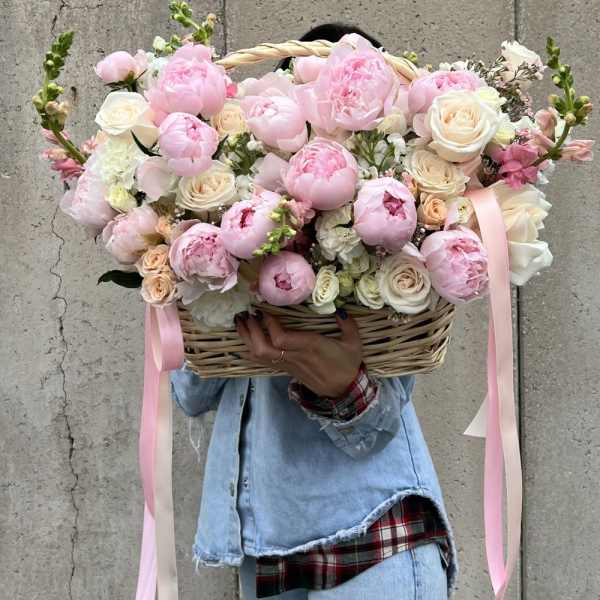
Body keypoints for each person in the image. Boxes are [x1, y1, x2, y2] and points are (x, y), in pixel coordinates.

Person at [170, 24, 459, 600]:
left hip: (375, 541)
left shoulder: (378, 256)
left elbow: (378, 430)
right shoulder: (246, 246)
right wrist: (199, 270)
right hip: (270, 554)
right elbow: (193, 393)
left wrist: (337, 382)